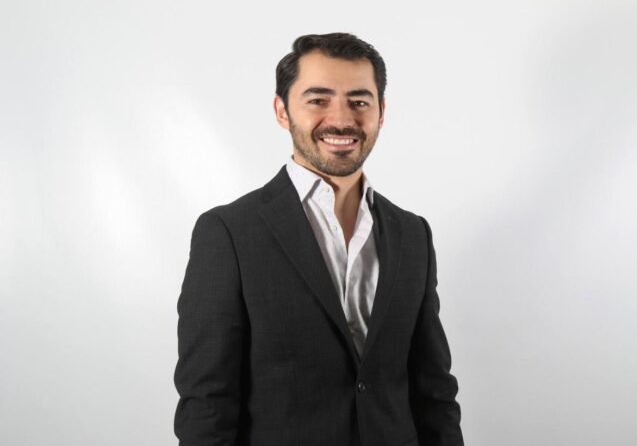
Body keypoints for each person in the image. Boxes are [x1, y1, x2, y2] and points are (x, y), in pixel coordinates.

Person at [174, 32, 464, 446]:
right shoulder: (228, 232)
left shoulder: (412, 234)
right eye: (318, 100)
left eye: (359, 101)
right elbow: (207, 404)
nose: (342, 119)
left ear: (381, 112)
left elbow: (434, 392)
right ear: (282, 110)